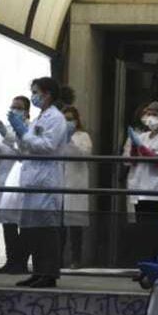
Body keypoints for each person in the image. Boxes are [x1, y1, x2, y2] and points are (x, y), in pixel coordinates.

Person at [13, 76, 67, 288]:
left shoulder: (56, 118)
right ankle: (37, 271)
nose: (33, 96)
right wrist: (19, 133)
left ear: (48, 94)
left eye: (36, 92)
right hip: (33, 180)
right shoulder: (39, 118)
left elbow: (48, 146)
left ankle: (49, 273)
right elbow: (26, 147)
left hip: (46, 180)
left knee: (46, 230)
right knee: (33, 230)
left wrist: (25, 136)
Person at [123, 101, 158, 263]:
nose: (150, 118)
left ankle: (157, 264)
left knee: (154, 232)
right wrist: (134, 145)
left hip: (157, 191)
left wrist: (141, 147)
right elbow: (132, 161)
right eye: (148, 114)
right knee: (142, 232)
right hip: (140, 190)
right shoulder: (142, 136)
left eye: (154, 115)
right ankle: (145, 265)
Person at [0, 95, 32, 273]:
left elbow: (24, 149)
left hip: (21, 180)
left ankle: (20, 262)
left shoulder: (29, 129)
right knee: (8, 224)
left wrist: (7, 136)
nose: (15, 110)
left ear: (27, 112)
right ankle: (11, 261)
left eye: (19, 108)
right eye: (13, 107)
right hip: (4, 179)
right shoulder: (5, 128)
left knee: (25, 225)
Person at [60, 104, 94, 269]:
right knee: (59, 228)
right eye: (65, 119)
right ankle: (57, 259)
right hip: (60, 185)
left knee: (75, 227)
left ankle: (76, 259)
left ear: (76, 120)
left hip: (75, 185)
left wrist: (70, 141)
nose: (68, 122)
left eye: (70, 119)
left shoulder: (83, 136)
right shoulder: (57, 136)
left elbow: (84, 154)